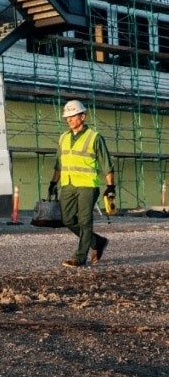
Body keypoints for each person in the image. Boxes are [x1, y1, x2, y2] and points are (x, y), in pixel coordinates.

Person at [48, 100, 115, 267]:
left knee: (85, 221)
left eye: (72, 116)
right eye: (67, 117)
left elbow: (107, 164)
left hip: (87, 185)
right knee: (68, 219)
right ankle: (97, 242)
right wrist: (53, 182)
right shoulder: (63, 138)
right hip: (68, 185)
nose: (69, 119)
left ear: (83, 116)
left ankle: (80, 257)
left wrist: (110, 188)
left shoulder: (95, 137)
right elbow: (59, 164)